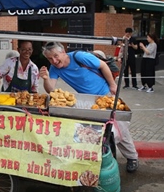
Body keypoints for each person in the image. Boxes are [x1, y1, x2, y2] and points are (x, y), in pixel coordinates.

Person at [39, 41, 139, 173]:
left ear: (63, 52)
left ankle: (132, 157)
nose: (54, 61)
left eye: (56, 56)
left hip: (105, 95)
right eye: (50, 59)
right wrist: (46, 79)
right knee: (93, 131)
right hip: (87, 101)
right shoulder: (54, 68)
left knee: (119, 128)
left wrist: (112, 85)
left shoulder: (79, 57)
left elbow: (103, 65)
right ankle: (98, 158)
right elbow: (51, 90)